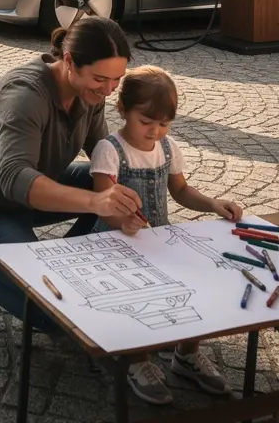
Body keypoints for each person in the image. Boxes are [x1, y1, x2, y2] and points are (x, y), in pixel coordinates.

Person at [0, 17, 140, 327]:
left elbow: (103, 155)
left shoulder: (91, 93)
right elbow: (14, 178)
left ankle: (66, 265)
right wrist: (96, 202)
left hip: (31, 197)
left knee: (110, 182)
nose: (108, 89)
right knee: (57, 317)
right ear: (69, 61)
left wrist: (137, 185)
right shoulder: (24, 94)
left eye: (117, 79)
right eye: (100, 79)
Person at [89, 65, 240, 404]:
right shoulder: (109, 150)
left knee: (195, 281)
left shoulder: (167, 147)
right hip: (116, 243)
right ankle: (136, 361)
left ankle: (187, 353)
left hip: (158, 239)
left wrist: (213, 204)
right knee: (139, 298)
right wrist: (122, 221)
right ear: (123, 109)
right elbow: (102, 203)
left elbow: (181, 190)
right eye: (146, 122)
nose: (155, 131)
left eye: (164, 124)